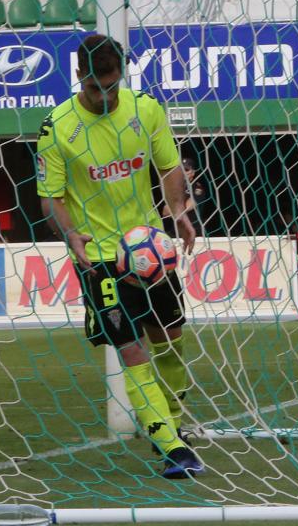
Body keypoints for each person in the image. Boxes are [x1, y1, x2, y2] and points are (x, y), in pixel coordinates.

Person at [37, 34, 204, 479]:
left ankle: (172, 421)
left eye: (112, 87)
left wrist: (179, 212)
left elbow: (168, 166)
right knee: (131, 350)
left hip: (150, 250)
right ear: (79, 78)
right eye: (96, 89)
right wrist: (70, 233)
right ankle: (170, 446)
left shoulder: (145, 108)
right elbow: (50, 197)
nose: (107, 97)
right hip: (99, 258)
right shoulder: (57, 129)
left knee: (170, 339)